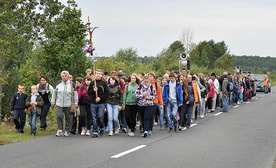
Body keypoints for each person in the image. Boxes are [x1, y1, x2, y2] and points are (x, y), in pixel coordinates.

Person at [51, 71, 78, 137]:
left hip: (68, 104)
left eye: (65, 76)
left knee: (68, 117)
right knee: (59, 116)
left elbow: (75, 94)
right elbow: (54, 93)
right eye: (63, 76)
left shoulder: (72, 84)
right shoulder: (58, 83)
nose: (64, 77)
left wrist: (76, 102)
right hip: (59, 103)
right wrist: (53, 102)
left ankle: (67, 130)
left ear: (68, 77)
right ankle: (60, 129)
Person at [87, 69, 109, 138]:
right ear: (95, 75)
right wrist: (93, 90)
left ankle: (102, 127)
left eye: (99, 74)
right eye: (97, 73)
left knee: (100, 117)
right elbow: (88, 93)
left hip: (101, 103)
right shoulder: (92, 83)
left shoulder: (104, 83)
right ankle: (95, 131)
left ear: (101, 75)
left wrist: (100, 98)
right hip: (93, 103)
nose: (98, 75)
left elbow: (107, 93)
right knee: (94, 118)